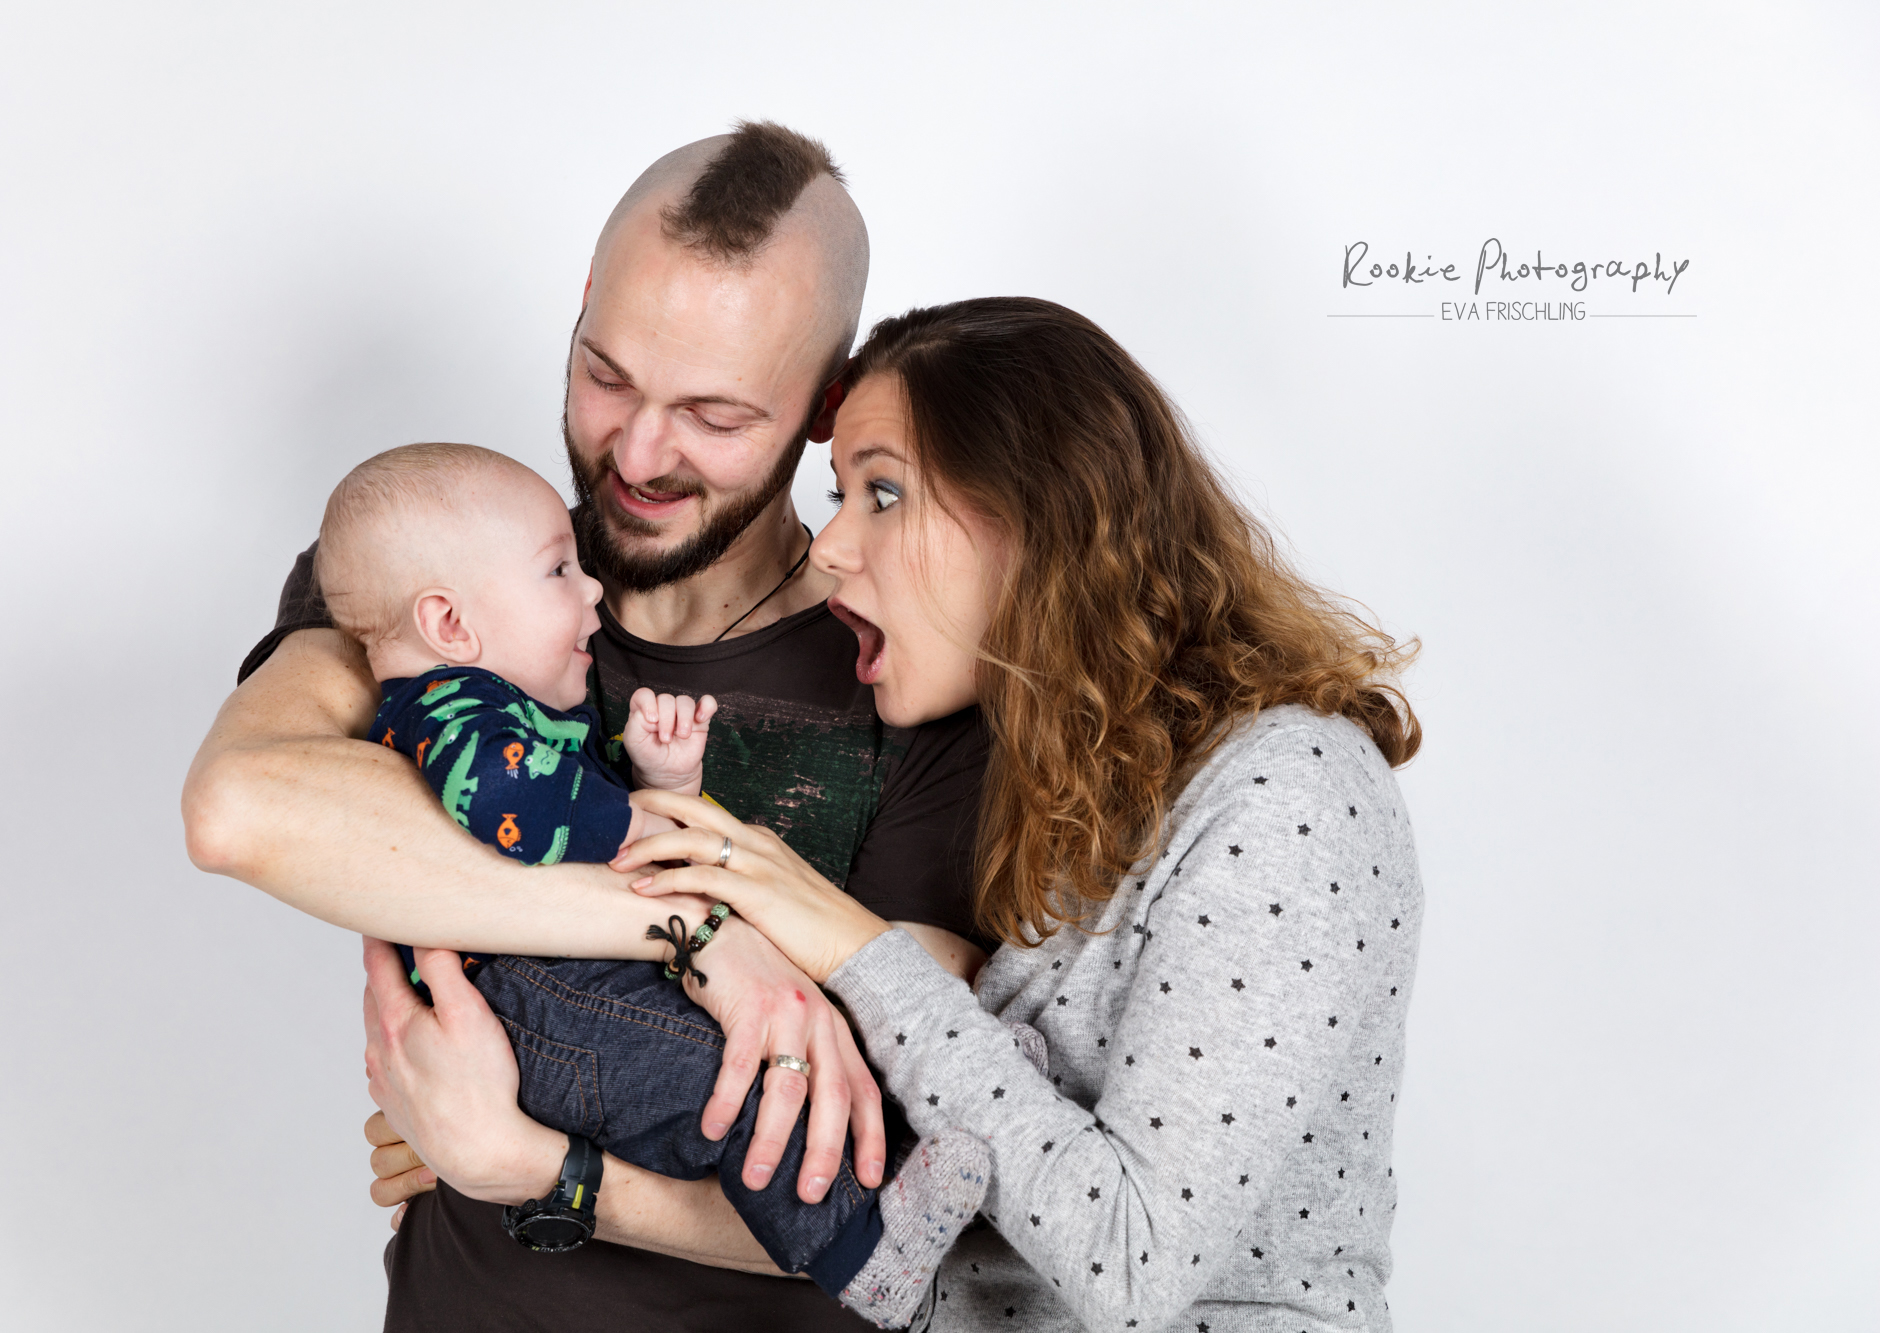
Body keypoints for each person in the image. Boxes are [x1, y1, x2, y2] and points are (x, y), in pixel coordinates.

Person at [371, 297, 1425, 1331]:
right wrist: (531, 1125)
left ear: (1040, 517)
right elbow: (919, 1196)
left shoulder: (1290, 789)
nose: (828, 546)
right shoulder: (1057, 784)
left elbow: (1126, 1260)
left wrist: (834, 934)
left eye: (882, 493)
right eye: (841, 493)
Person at [185, 123, 992, 1331]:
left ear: (826, 403)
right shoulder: (436, 570)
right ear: (579, 308)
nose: (638, 452)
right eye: (607, 374)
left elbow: (907, 1171)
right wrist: (703, 935)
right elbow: (242, 808)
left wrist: (529, 1165)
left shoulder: (909, 666)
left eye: (713, 414)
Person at [316, 438, 995, 1323]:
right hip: (526, 998)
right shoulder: (448, 707)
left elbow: (570, 821)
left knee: (747, 1053)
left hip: (566, 985)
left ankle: (960, 1107)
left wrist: (661, 781)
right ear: (449, 625)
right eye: (558, 571)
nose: (591, 589)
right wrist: (640, 823)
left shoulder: (505, 710)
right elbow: (515, 805)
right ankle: (862, 1248)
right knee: (711, 1078)